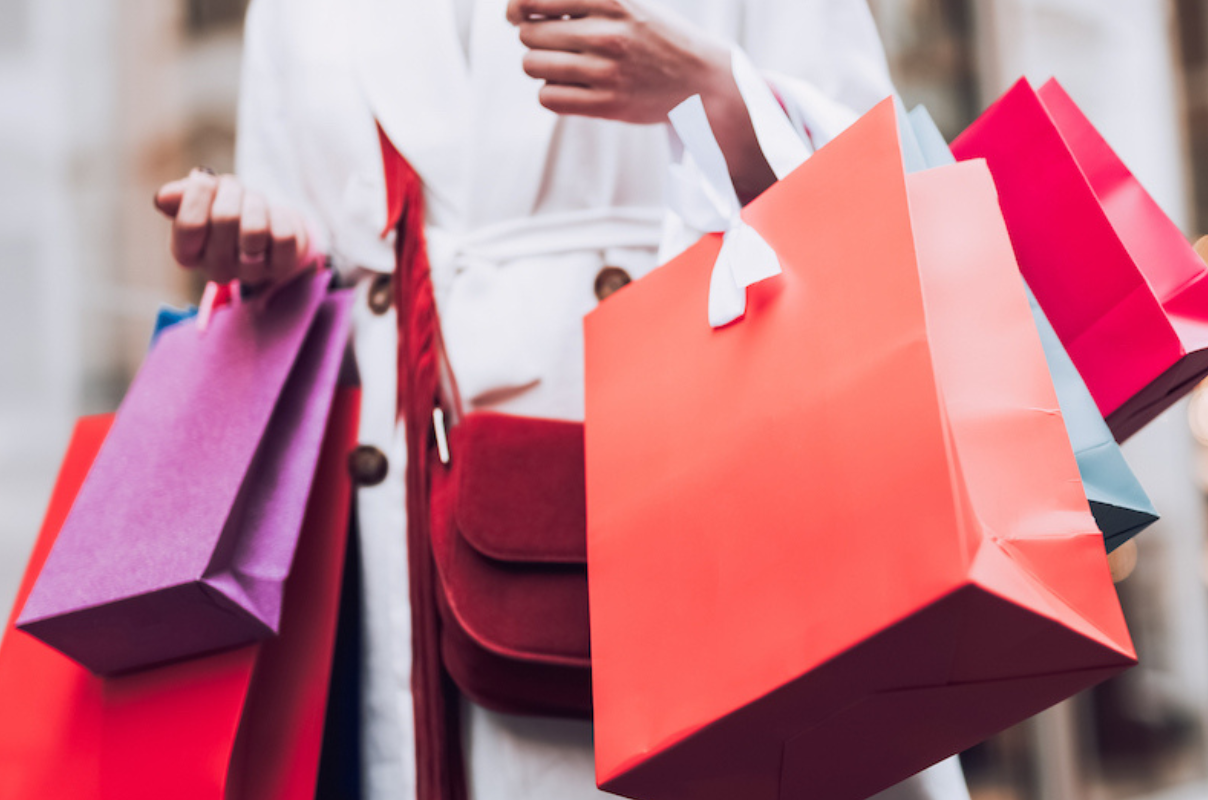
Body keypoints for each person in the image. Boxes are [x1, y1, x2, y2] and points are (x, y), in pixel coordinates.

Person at [153, 1, 974, 798]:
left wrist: (712, 89)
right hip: (411, 549)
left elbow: (883, 189)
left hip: (692, 488)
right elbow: (311, 248)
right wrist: (264, 241)